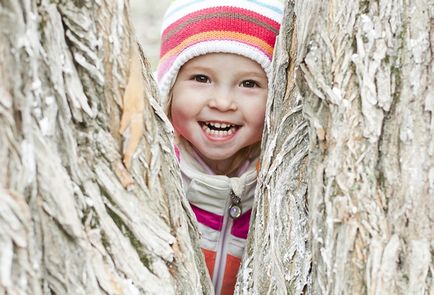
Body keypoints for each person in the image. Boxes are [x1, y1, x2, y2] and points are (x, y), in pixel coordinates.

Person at [156, 1, 283, 294]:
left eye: (249, 83)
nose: (223, 103)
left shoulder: (277, 179)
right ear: (169, 86)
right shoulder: (155, 169)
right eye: (201, 78)